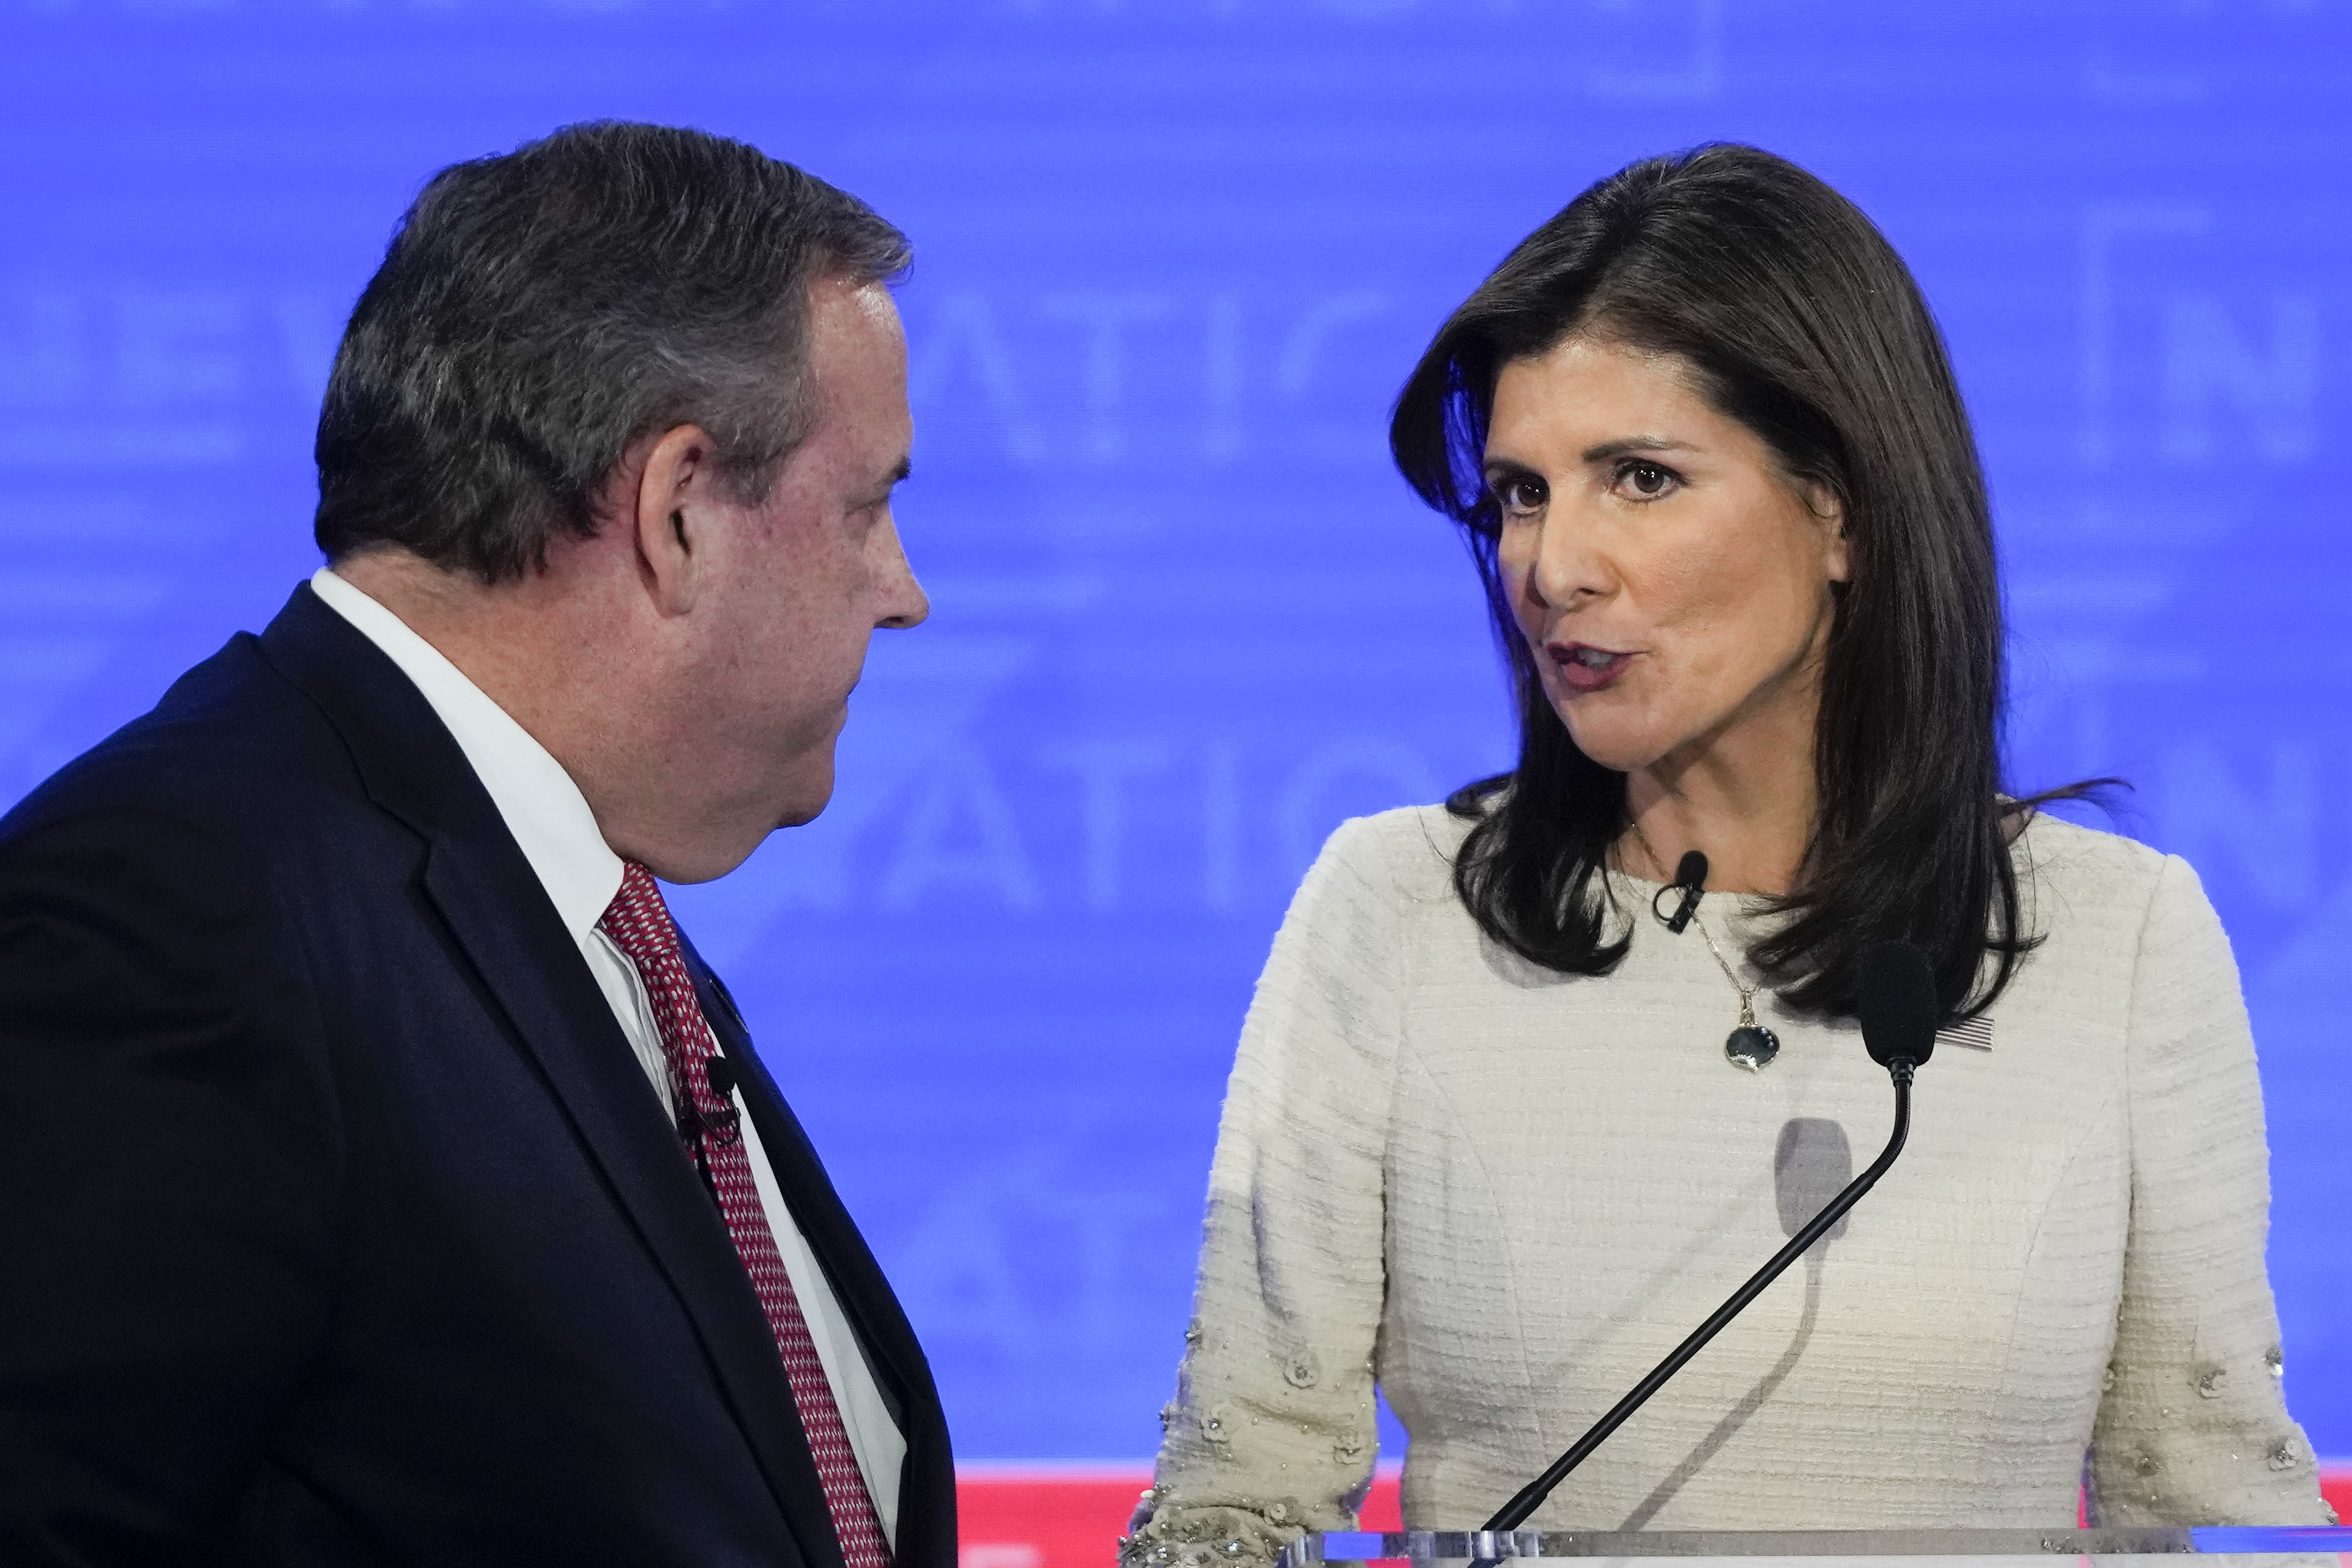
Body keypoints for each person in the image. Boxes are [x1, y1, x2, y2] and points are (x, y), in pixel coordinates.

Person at [1125, 144, 2333, 1567]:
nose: (1553, 565)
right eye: (1519, 491)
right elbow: (1233, 1501)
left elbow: (2193, 1493)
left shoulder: (2120, 939)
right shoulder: (1397, 913)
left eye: (1640, 478)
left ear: (1846, 511)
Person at [0, 122, 952, 1567]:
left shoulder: (558, 891)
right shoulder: (181, 907)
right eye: (869, 506)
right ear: (679, 510)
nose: (904, 593)